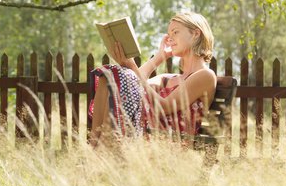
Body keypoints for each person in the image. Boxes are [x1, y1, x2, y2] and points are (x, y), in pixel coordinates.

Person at [88, 11, 216, 147]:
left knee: (119, 74)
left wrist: (132, 66)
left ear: (196, 34)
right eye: (169, 34)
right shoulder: (167, 78)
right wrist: (160, 56)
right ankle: (94, 145)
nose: (170, 38)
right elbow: (134, 84)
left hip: (168, 140)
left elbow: (165, 107)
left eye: (175, 32)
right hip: (147, 132)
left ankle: (102, 149)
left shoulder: (205, 76)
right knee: (109, 75)